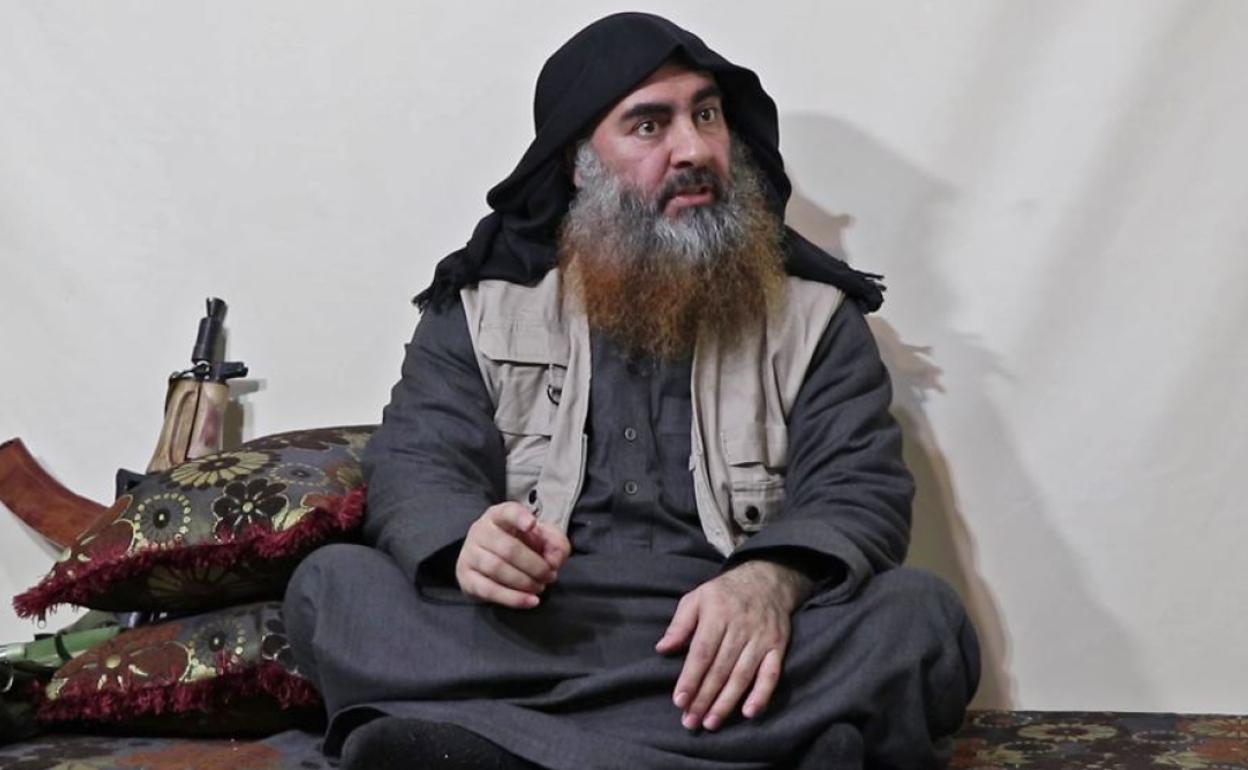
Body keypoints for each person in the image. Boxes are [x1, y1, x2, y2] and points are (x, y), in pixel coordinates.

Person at [284, 12, 980, 769]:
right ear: (579, 162)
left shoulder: (813, 318)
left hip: (722, 631)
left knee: (920, 621)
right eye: (650, 125)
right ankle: (770, 747)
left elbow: (858, 487)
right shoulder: (482, 308)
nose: (695, 149)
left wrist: (769, 582)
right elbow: (417, 461)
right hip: (539, 626)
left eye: (706, 115)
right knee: (332, 590)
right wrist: (467, 543)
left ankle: (499, 745)